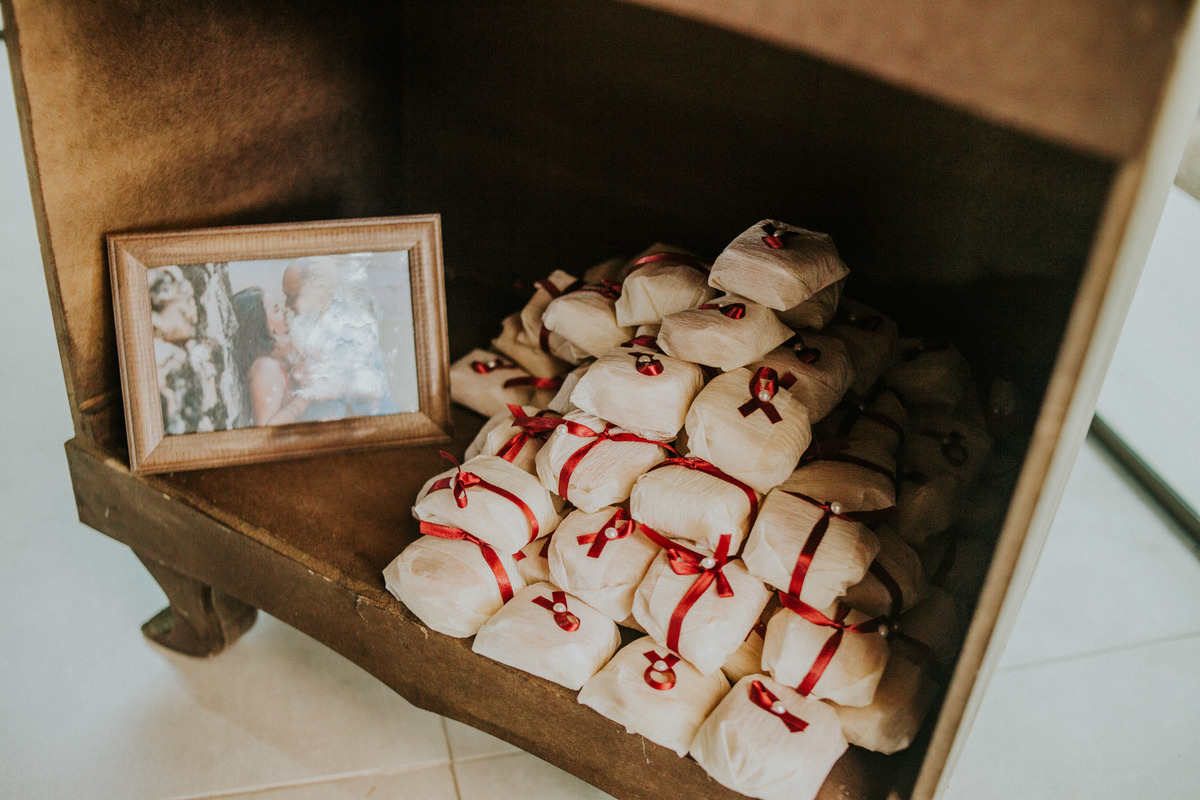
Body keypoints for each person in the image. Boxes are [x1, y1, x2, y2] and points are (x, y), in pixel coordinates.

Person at [282, 256, 399, 421]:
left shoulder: (348, 328)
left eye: (292, 297)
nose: (286, 304)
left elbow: (362, 388)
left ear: (319, 290)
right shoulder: (320, 323)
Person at [231, 287, 313, 427]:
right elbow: (265, 428)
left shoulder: (274, 362)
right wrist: (306, 396)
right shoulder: (266, 368)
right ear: (262, 325)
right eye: (276, 310)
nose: (284, 311)